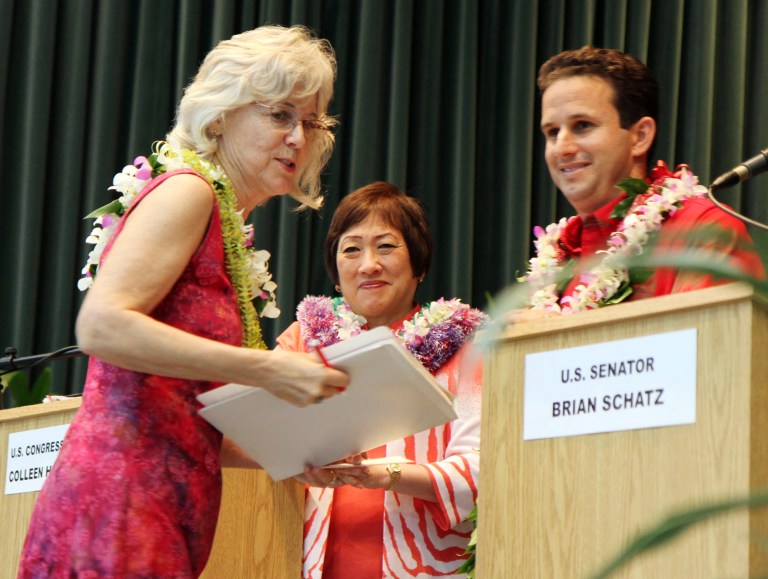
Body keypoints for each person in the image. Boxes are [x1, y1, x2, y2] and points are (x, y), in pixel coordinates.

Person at [18, 25, 349, 578]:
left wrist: (292, 461)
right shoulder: (189, 190)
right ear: (220, 115)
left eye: (310, 122)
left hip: (165, 509)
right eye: (279, 115)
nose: (298, 137)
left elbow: (181, 417)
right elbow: (100, 326)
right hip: (119, 505)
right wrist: (267, 367)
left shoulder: (225, 225)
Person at [276, 181, 486, 578]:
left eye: (386, 246)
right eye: (351, 249)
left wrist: (384, 475)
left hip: (424, 563)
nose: (368, 264)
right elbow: (260, 436)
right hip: (306, 562)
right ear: (336, 272)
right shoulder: (302, 340)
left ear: (419, 264)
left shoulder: (466, 348)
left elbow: (481, 471)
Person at [518, 46, 764, 314]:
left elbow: (705, 345)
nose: (562, 148)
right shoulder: (557, 261)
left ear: (640, 136)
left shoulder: (701, 231)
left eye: (582, 125)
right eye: (552, 132)